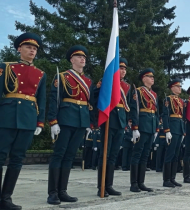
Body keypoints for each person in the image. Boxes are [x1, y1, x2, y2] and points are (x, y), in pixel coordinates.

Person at [0, 33, 46, 210]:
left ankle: (6, 199)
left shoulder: (41, 74)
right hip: (7, 116)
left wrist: (40, 122)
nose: (32, 50)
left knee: (17, 159)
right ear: (19, 49)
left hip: (28, 118)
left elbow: (41, 100)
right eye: (28, 47)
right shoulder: (6, 67)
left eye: (35, 49)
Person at [47, 45, 94, 205]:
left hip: (81, 121)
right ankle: (52, 192)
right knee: (59, 154)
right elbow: (54, 100)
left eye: (84, 58)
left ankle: (62, 191)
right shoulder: (62, 76)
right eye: (79, 57)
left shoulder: (88, 81)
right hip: (66, 118)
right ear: (72, 60)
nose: (83, 59)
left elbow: (90, 103)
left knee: (70, 156)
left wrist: (89, 124)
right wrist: (53, 121)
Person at [93, 57, 131, 197]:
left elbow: (128, 107)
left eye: (125, 69)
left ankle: (109, 185)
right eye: (121, 68)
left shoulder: (127, 86)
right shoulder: (107, 81)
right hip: (109, 120)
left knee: (113, 156)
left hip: (120, 122)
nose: (123, 71)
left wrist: (128, 122)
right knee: (105, 155)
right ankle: (101, 186)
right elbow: (97, 98)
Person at [130, 68, 159, 193]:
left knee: (145, 155)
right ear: (143, 78)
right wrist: (135, 127)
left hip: (151, 126)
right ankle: (134, 183)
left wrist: (157, 127)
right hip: (142, 125)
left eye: (153, 76)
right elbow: (134, 110)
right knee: (137, 154)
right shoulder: (138, 91)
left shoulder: (155, 94)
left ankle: (141, 182)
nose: (152, 78)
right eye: (149, 76)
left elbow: (156, 112)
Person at [162, 79, 185, 188]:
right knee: (170, 155)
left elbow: (182, 117)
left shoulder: (181, 100)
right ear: (172, 88)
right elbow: (165, 115)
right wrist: (167, 130)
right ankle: (166, 180)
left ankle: (172, 178)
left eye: (180, 86)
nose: (179, 88)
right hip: (172, 128)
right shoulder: (168, 99)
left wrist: (183, 131)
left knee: (176, 155)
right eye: (177, 86)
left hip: (179, 129)